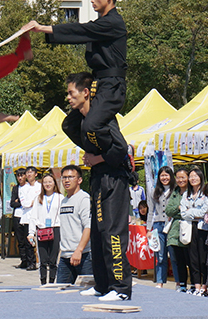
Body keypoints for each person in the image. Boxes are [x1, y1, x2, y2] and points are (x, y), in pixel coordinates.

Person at [26, 0, 129, 168]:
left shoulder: (113, 23)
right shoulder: (101, 24)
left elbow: (81, 30)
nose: (91, 0)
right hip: (98, 83)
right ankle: (99, 154)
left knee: (92, 125)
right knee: (70, 125)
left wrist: (43, 28)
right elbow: (84, 32)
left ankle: (118, 154)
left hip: (112, 86)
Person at [64, 73, 132, 301]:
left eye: (72, 93)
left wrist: (98, 158)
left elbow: (121, 148)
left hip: (115, 179)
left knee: (112, 233)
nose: (68, 98)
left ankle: (121, 288)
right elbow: (69, 126)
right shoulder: (83, 120)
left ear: (85, 93)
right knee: (98, 233)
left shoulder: (103, 118)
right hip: (99, 179)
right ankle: (103, 284)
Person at [57, 165, 93, 284]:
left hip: (84, 255)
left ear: (79, 180)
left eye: (71, 177)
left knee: (85, 291)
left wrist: (79, 250)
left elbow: (88, 227)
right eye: (64, 177)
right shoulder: (64, 201)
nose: (67, 180)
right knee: (59, 291)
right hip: (65, 256)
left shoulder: (83, 199)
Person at [28, 172, 63, 285]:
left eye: (50, 182)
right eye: (45, 182)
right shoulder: (38, 198)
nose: (48, 184)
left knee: (53, 259)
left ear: (54, 183)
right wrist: (31, 232)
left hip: (55, 228)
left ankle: (52, 281)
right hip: (42, 229)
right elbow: (33, 216)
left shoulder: (60, 198)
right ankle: (43, 281)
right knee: (43, 259)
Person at [180, 167, 208, 296]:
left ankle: (204, 287)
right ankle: (196, 286)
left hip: (202, 228)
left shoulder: (205, 194)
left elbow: (204, 212)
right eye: (191, 176)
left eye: (196, 176)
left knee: (203, 258)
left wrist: (189, 212)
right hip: (189, 227)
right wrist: (192, 214)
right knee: (193, 259)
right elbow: (182, 213)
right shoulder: (186, 194)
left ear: (201, 177)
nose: (193, 178)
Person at [147, 166, 175, 288]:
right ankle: (160, 281)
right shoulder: (154, 192)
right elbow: (150, 211)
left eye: (167, 175)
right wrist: (149, 229)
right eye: (162, 175)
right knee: (161, 255)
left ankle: (178, 283)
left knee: (174, 255)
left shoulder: (176, 191)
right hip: (158, 225)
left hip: (172, 225)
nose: (164, 178)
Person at [166, 168, 190, 292]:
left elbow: (191, 211)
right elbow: (168, 210)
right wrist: (180, 207)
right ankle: (181, 284)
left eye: (183, 177)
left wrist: (182, 210)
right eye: (178, 177)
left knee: (190, 260)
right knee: (177, 259)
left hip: (189, 230)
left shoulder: (192, 192)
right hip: (175, 231)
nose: (180, 180)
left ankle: (195, 285)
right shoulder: (175, 192)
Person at [19, 166, 42, 271]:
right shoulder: (23, 188)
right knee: (28, 242)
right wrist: (33, 202)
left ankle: (42, 261)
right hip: (27, 217)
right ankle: (31, 262)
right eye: (27, 173)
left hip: (39, 217)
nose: (29, 174)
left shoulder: (40, 187)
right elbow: (24, 203)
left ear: (35, 174)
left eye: (31, 172)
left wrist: (35, 202)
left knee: (41, 240)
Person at [10, 167, 31, 269]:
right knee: (20, 240)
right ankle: (23, 260)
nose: (20, 177)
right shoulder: (16, 188)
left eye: (22, 175)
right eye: (18, 176)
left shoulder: (30, 187)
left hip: (27, 216)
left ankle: (31, 260)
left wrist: (20, 202)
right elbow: (12, 203)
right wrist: (18, 202)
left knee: (28, 240)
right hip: (17, 215)